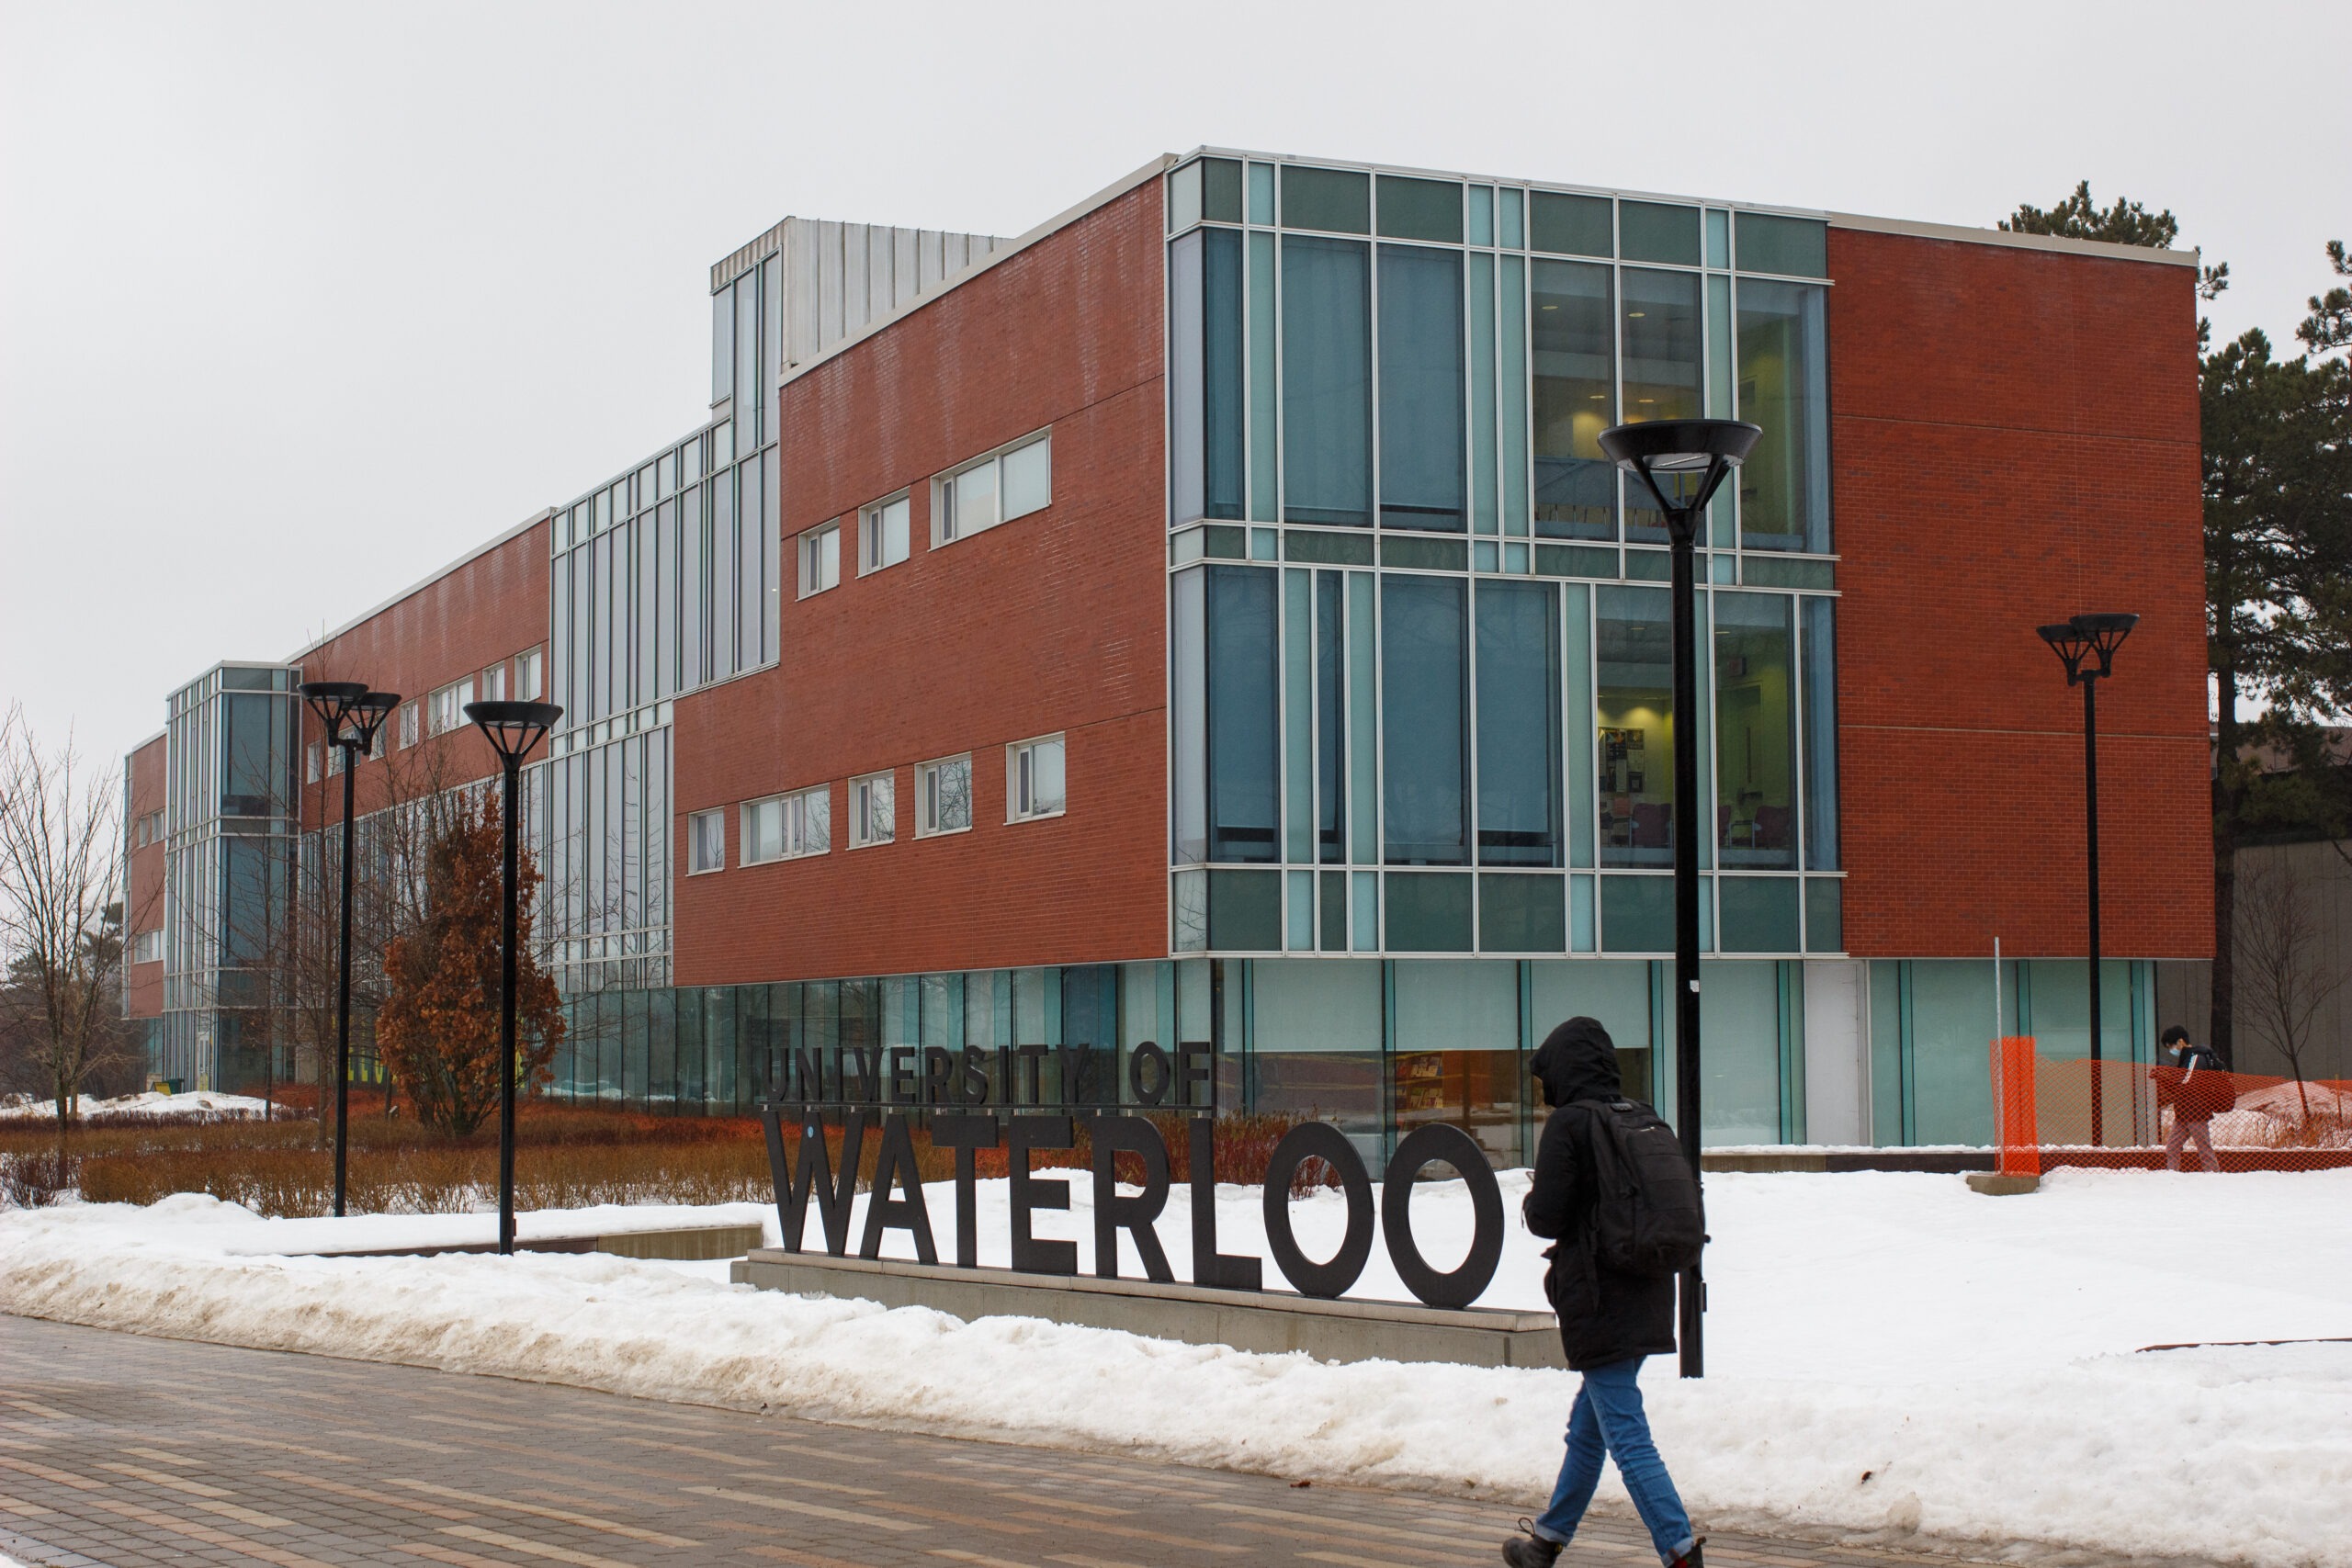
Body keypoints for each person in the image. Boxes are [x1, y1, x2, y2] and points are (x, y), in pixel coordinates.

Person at [1503, 1016, 1702, 1568]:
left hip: (1600, 1298)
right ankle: (1546, 1541)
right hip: (1648, 1287)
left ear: (1562, 1073)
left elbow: (1547, 1218)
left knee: (1626, 1435)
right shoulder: (1638, 1116)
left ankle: (1680, 1550)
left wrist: (1530, 1200)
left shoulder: (1570, 1125)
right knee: (1589, 1425)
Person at [2157, 1024, 2225, 1173]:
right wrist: (2162, 1079)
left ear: (2180, 1041)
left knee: (2203, 1148)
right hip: (2184, 1112)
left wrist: (2164, 1079)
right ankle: (2171, 1175)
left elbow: (2186, 1084)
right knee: (2172, 1147)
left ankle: (2213, 1175)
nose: (2171, 1050)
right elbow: (2181, 1087)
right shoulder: (2186, 1059)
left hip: (2196, 1111)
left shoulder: (2196, 1057)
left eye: (2171, 1045)